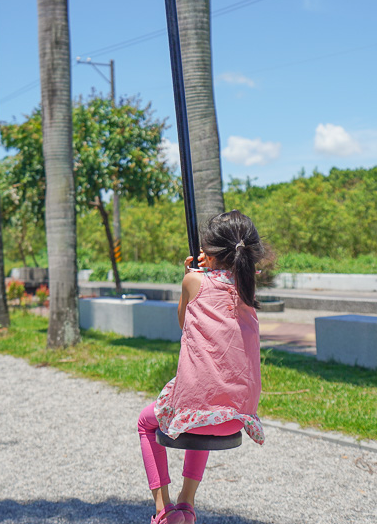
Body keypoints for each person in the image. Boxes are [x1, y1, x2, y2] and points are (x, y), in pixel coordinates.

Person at [136, 210, 266, 524]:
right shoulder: (247, 288)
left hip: (197, 414)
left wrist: (192, 274)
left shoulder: (194, 280)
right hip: (238, 417)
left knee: (146, 422)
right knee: (211, 402)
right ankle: (187, 503)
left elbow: (184, 323)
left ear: (208, 254)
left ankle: (164, 510)